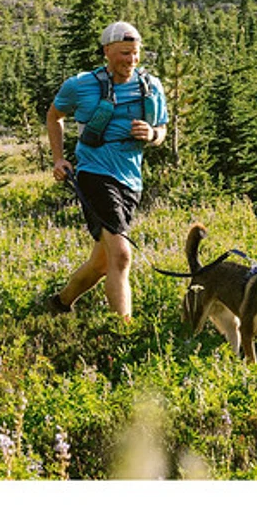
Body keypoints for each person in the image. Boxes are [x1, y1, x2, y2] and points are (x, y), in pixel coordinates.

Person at [45, 20, 169, 319]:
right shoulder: (81, 85)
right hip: (94, 174)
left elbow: (162, 128)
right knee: (122, 256)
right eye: (124, 53)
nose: (131, 60)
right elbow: (54, 116)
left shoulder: (150, 86)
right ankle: (122, 331)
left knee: (103, 262)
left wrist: (152, 135)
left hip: (131, 180)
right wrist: (59, 159)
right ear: (107, 51)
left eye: (135, 53)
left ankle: (60, 303)